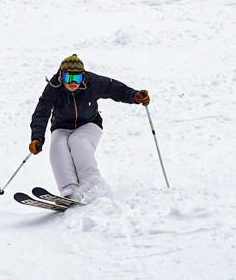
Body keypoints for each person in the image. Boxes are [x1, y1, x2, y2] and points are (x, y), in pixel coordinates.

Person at [28, 55, 149, 202]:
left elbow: (116, 89)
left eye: (77, 79)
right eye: (68, 78)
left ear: (83, 77)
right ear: (61, 77)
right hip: (61, 126)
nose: (73, 83)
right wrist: (37, 137)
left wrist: (134, 96)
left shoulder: (93, 82)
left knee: (78, 140)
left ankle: (92, 185)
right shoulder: (53, 87)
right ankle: (69, 189)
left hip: (89, 124)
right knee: (58, 145)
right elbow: (42, 112)